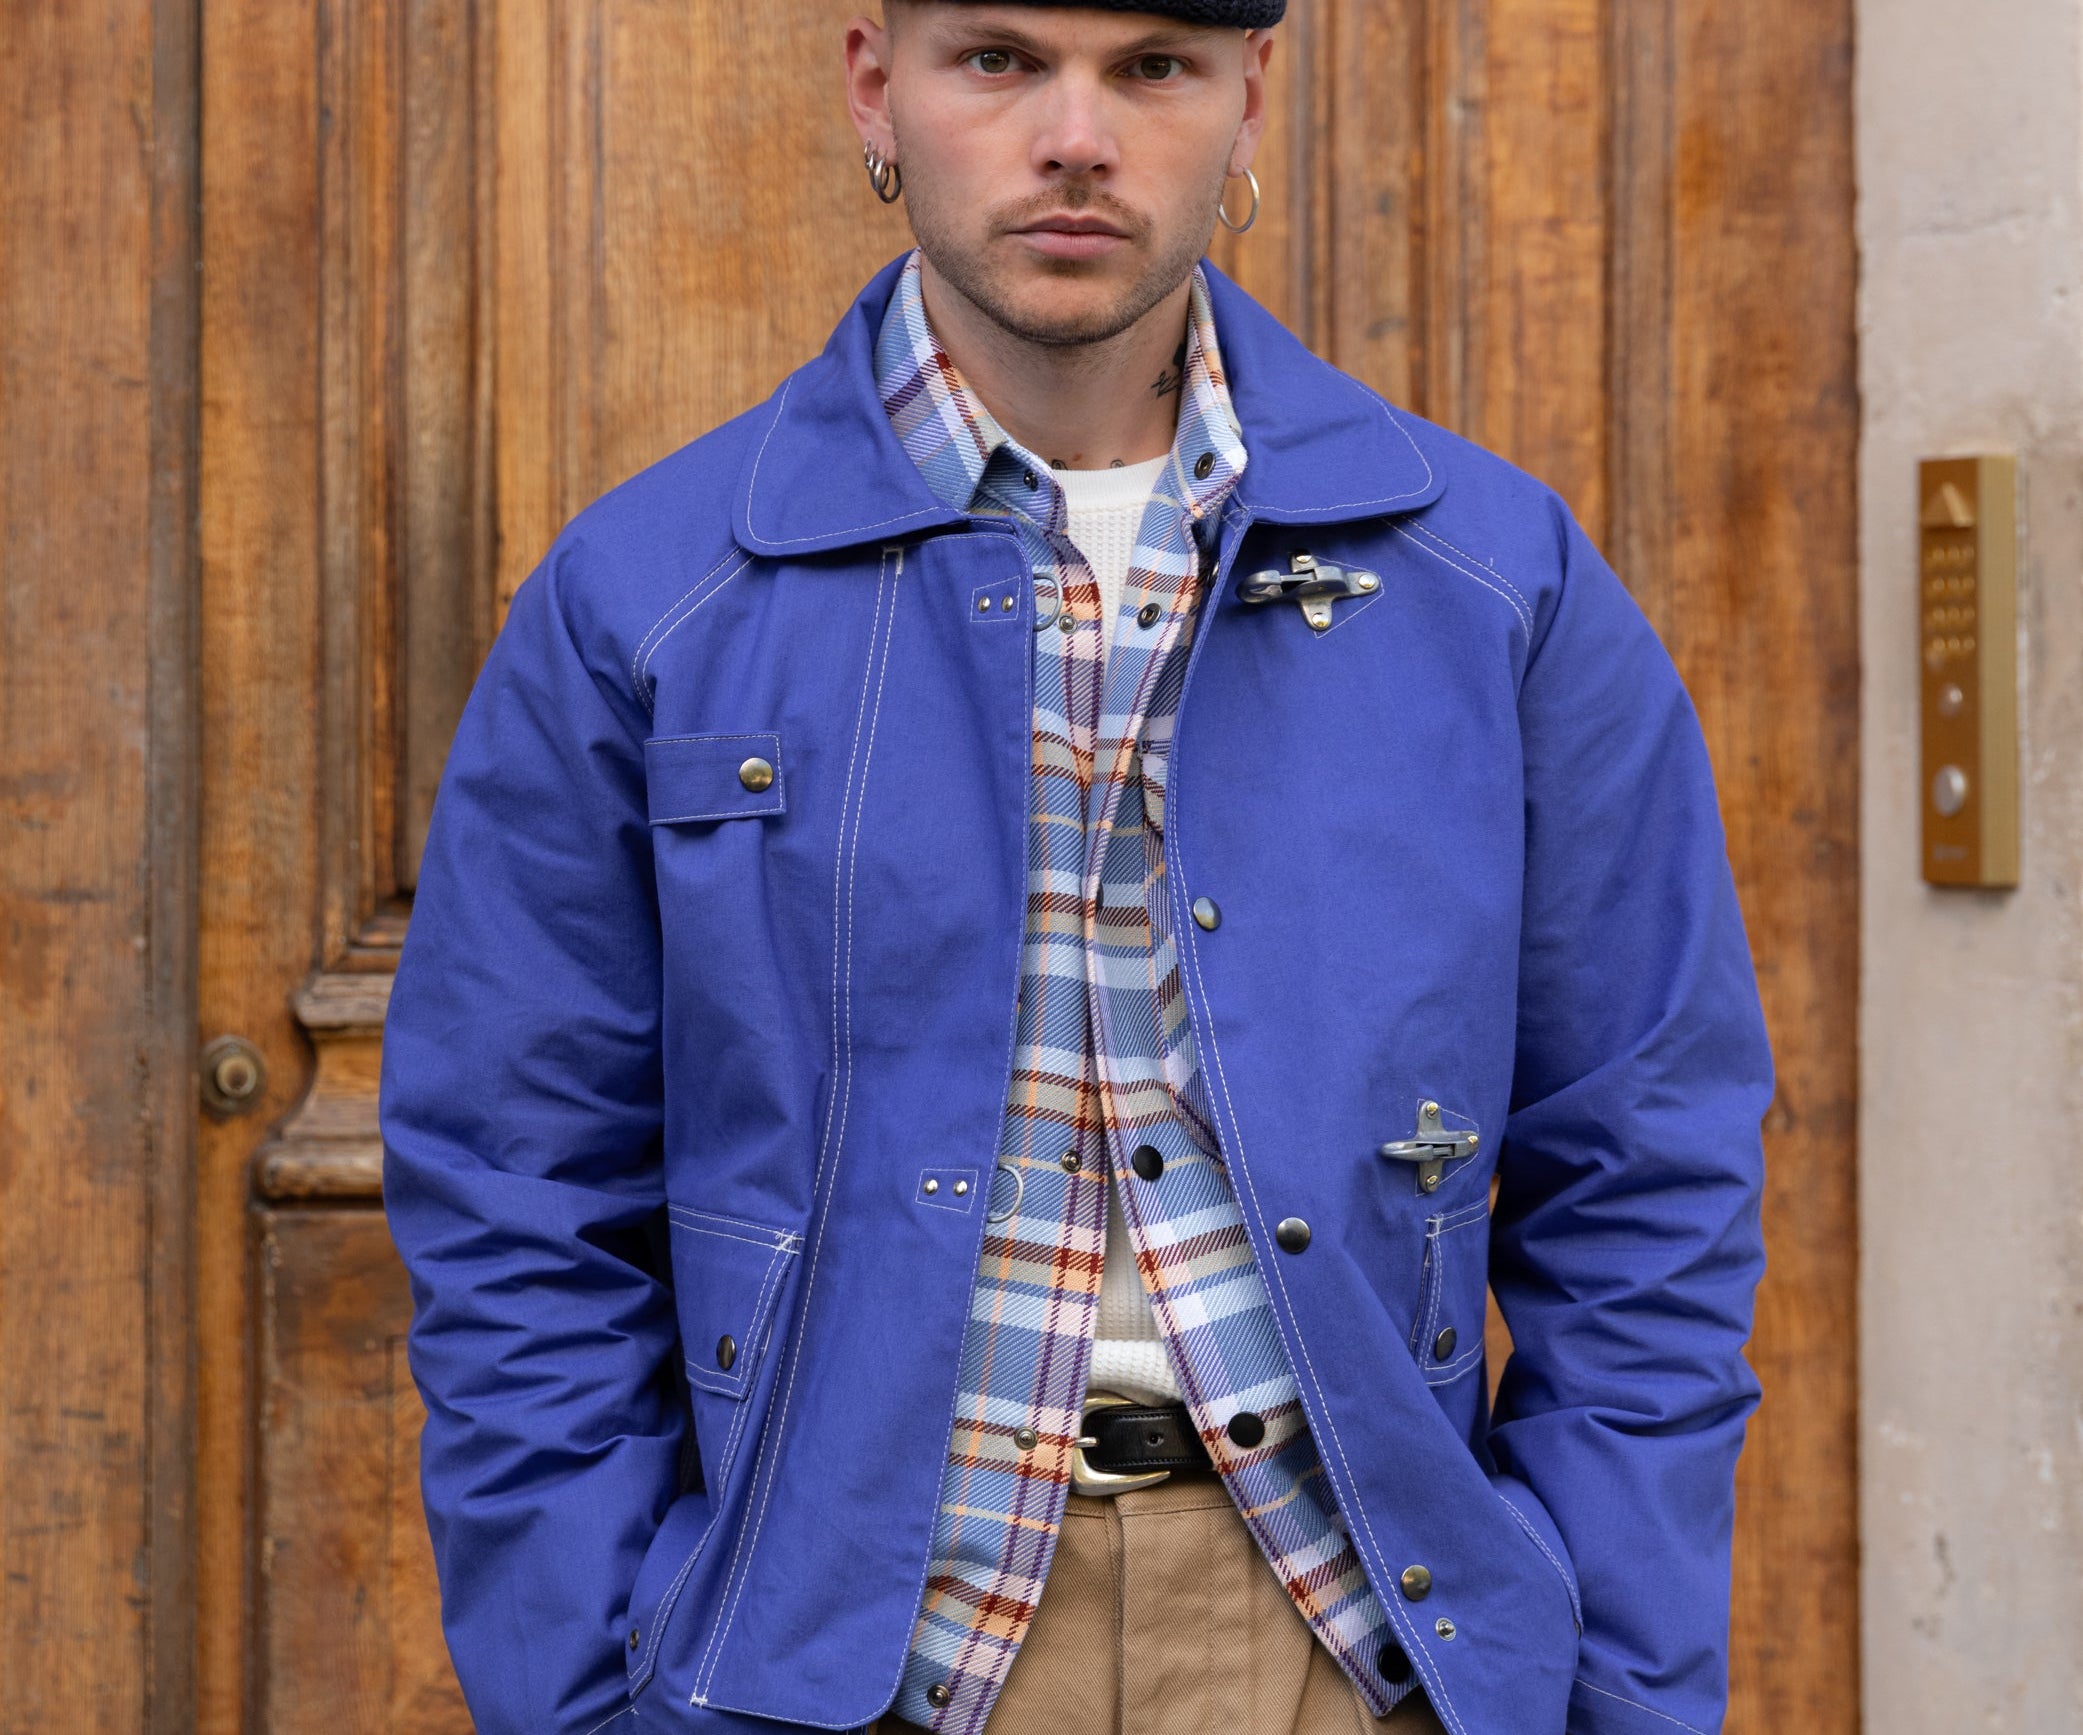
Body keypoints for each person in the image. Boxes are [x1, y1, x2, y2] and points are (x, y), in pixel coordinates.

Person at [379, 4, 1774, 1733]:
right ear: (875, 84)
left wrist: (1621, 1689)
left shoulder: (1492, 585)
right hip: (853, 1667)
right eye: (999, 60)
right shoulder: (652, 599)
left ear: (1248, 99)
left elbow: (1646, 1168)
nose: (1076, 138)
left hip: (1355, 1650)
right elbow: (516, 1195)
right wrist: (590, 1700)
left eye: (1154, 67)